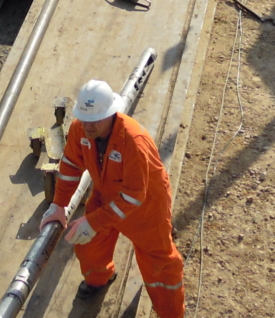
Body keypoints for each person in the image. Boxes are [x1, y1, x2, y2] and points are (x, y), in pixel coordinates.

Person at [39, 79, 185, 317]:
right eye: (84, 119)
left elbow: (134, 194)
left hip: (145, 208)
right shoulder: (81, 128)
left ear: (111, 114)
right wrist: (59, 205)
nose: (88, 126)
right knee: (88, 246)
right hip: (106, 194)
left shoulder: (133, 142)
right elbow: (70, 165)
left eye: (95, 120)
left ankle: (171, 313)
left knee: (159, 267)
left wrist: (94, 222)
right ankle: (100, 279)